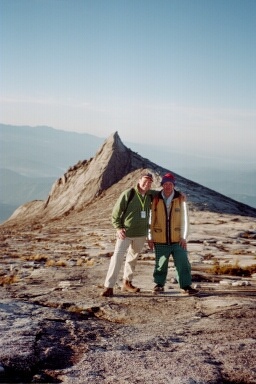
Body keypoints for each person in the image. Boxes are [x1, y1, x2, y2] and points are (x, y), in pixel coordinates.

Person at [101, 172, 155, 297]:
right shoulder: (128, 194)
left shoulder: (150, 195)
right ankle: (108, 286)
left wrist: (180, 195)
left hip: (141, 234)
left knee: (132, 258)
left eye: (150, 182)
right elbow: (116, 212)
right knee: (117, 258)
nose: (147, 184)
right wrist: (118, 228)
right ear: (139, 180)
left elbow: (166, 193)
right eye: (145, 181)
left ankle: (127, 283)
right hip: (126, 233)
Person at [148, 172, 198, 295]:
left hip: (178, 239)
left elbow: (185, 219)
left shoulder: (180, 199)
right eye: (165, 184)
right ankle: (159, 285)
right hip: (160, 238)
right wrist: (150, 236)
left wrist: (184, 237)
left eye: (170, 184)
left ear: (174, 185)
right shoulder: (156, 199)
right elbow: (151, 219)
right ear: (162, 185)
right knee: (160, 264)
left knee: (183, 263)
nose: (168, 186)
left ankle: (186, 286)